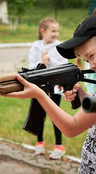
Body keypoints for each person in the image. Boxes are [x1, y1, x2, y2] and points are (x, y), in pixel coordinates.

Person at [2, 14, 96, 173]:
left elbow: (71, 128)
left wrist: (39, 95)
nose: (91, 65)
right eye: (86, 60)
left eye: (91, 56)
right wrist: (82, 93)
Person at [28, 17, 67, 159]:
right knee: (38, 114)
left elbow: (64, 66)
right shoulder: (35, 46)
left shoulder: (60, 46)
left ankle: (59, 146)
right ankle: (39, 143)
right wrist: (41, 62)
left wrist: (49, 61)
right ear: (43, 31)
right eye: (53, 31)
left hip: (55, 87)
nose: (56, 34)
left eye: (58, 31)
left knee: (55, 115)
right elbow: (31, 66)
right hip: (38, 86)